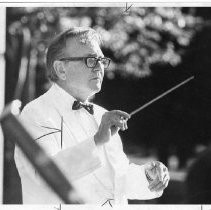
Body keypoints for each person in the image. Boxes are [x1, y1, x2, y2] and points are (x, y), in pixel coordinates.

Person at [14, 27, 170, 205]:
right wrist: (97, 141)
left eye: (101, 60)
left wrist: (148, 176)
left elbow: (117, 179)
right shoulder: (36, 112)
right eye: (90, 60)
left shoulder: (102, 114)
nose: (99, 67)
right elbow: (46, 174)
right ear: (61, 69)